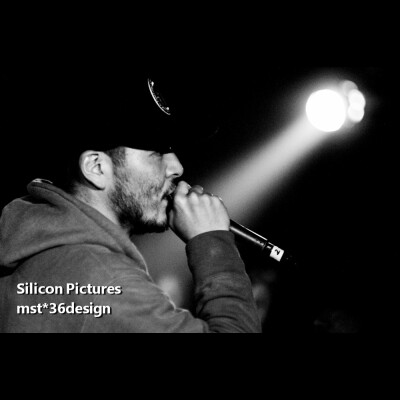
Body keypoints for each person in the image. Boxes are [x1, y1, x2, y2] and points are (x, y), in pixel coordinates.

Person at [0, 74, 261, 333]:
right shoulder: (105, 280)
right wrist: (213, 243)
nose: (177, 167)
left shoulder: (40, 253)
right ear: (96, 167)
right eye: (156, 152)